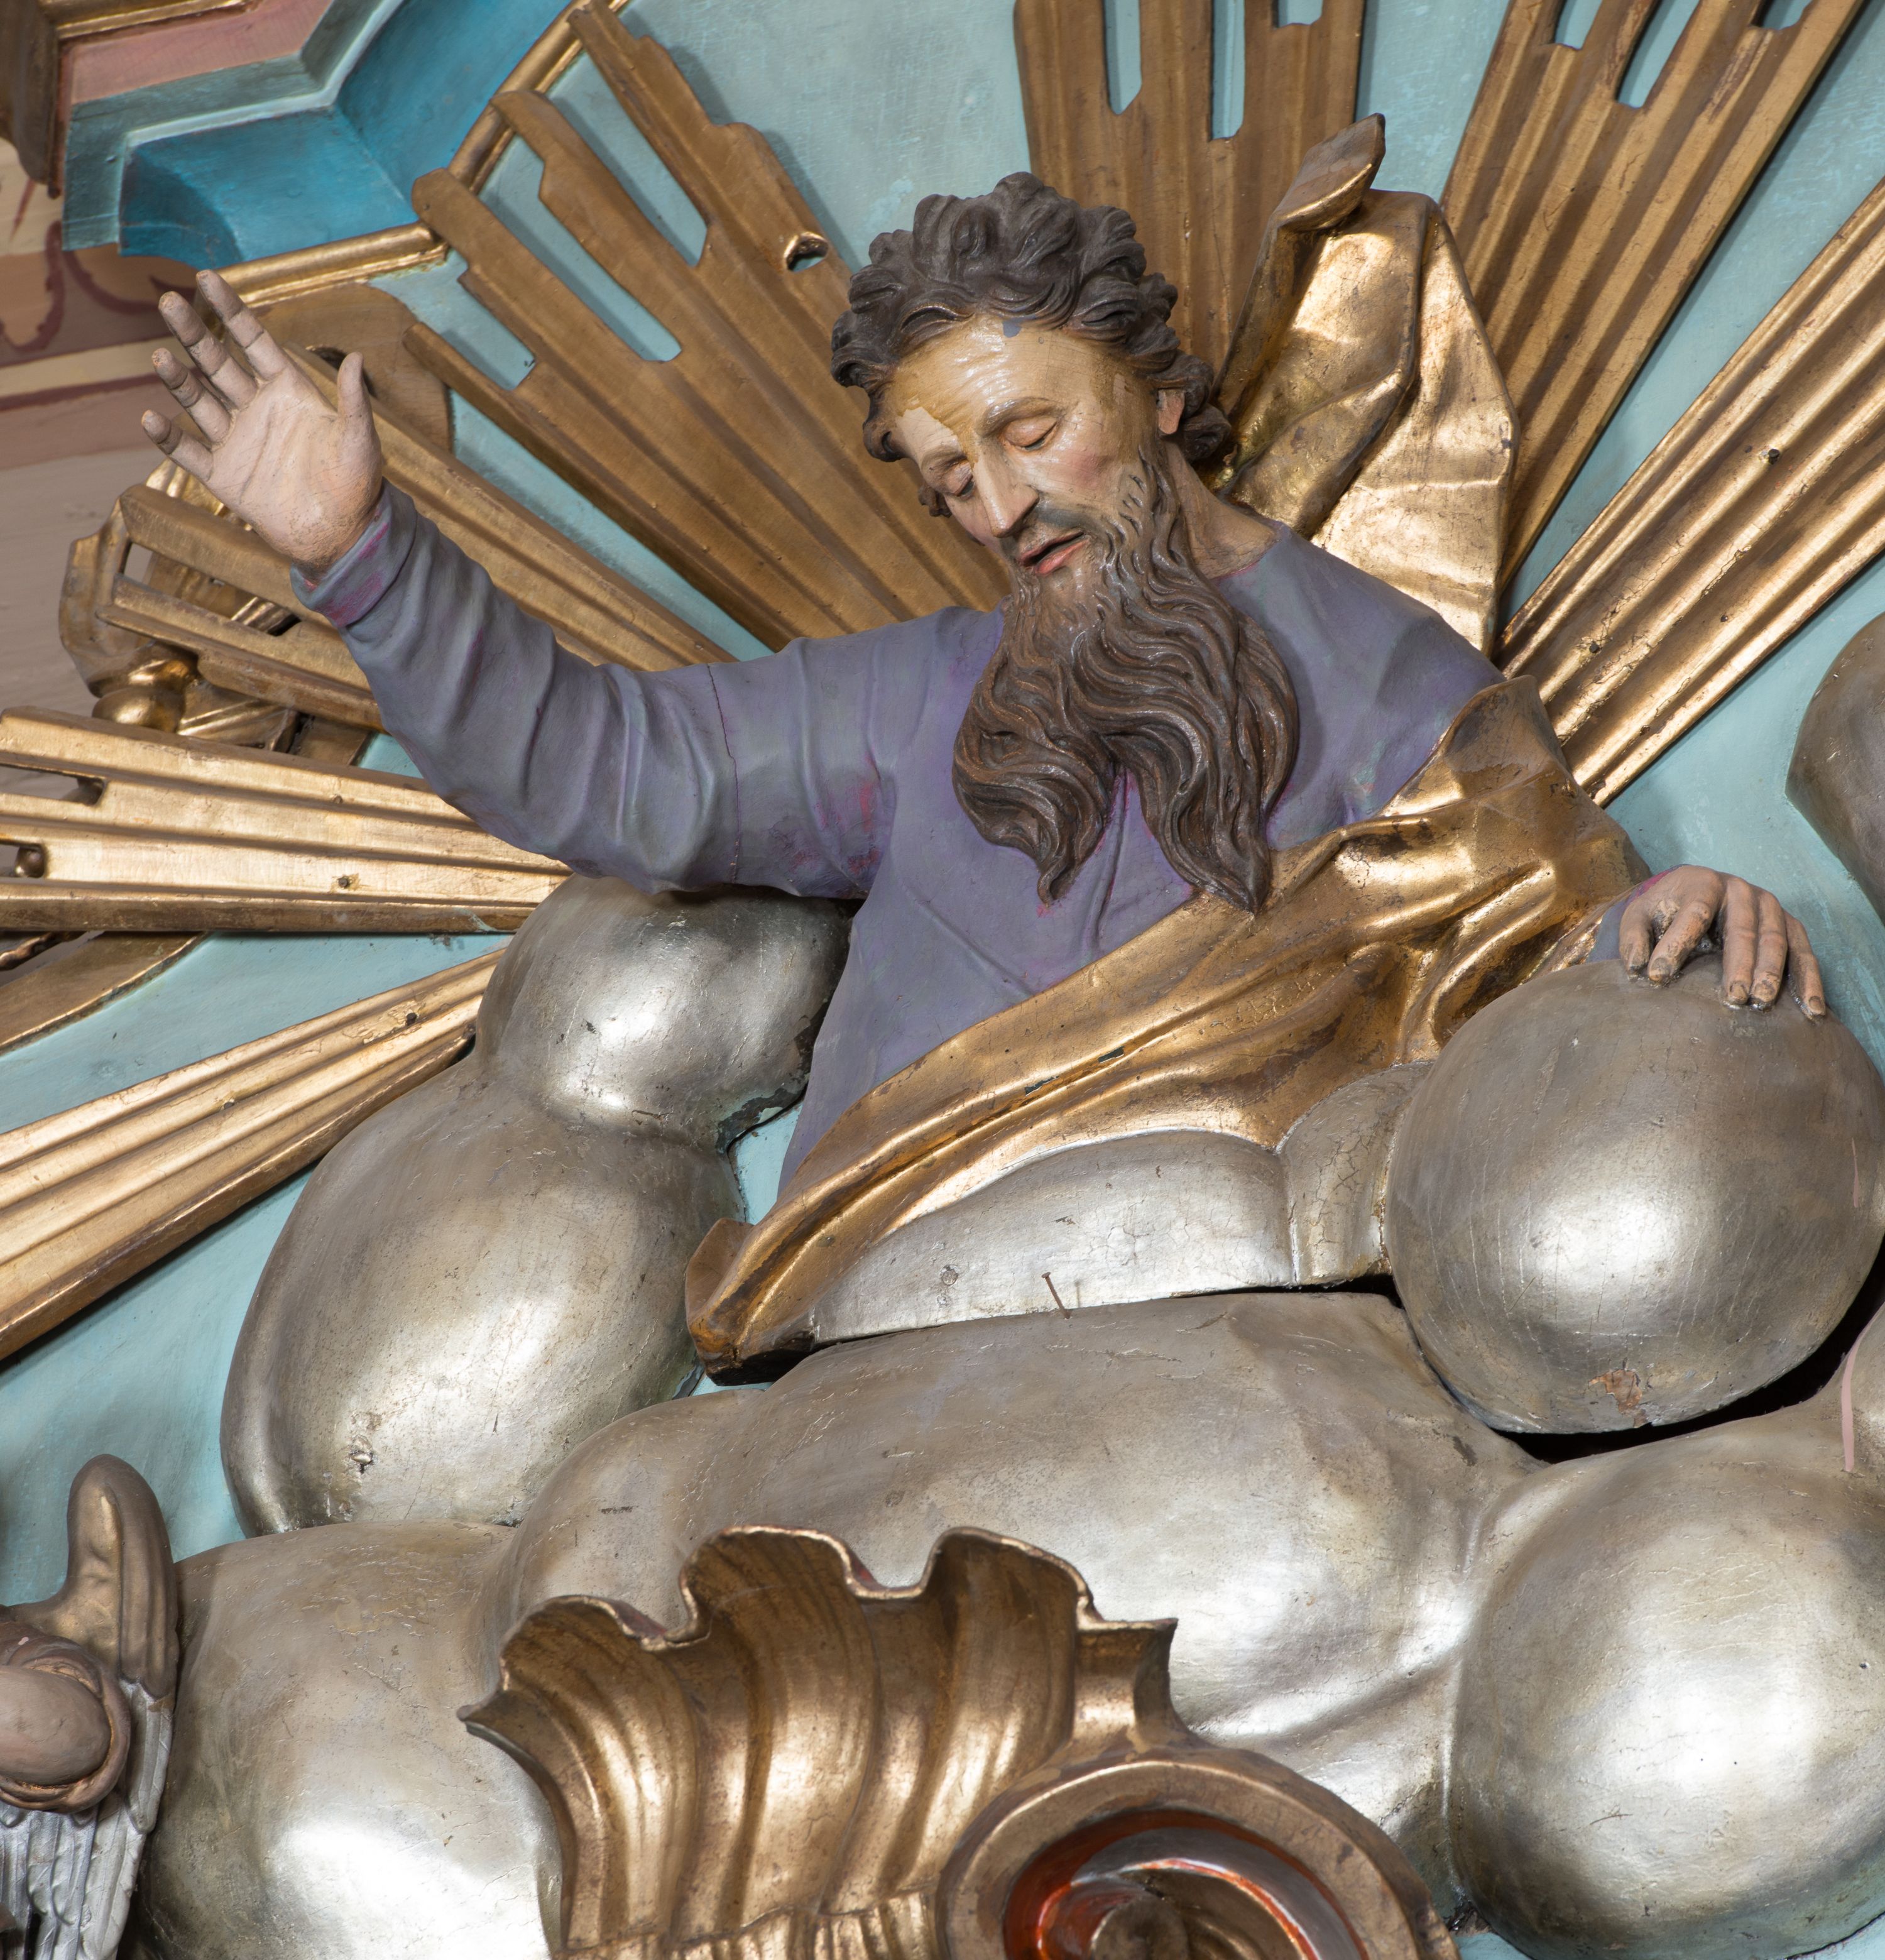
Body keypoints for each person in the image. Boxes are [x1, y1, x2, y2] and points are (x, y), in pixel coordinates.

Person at [140, 175, 1822, 1212]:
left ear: (1159, 395)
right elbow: (606, 766)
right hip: (882, 1284)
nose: (1004, 508)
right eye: (954, 478)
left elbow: (1530, 946)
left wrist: (1656, 922)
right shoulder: (911, 703)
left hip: (1219, 1287)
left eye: (1033, 434)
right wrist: (363, 557)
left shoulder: (1379, 673)